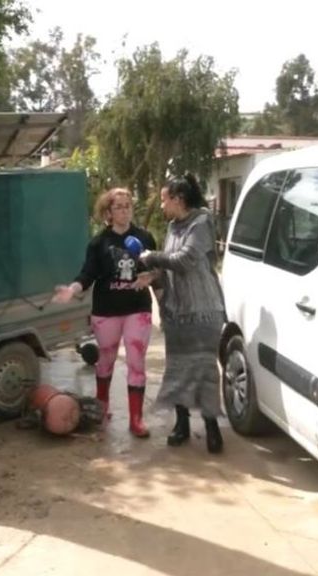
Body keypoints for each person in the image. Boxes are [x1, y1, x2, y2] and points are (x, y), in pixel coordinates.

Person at [52, 188, 157, 438]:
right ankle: (103, 407)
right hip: (106, 311)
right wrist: (72, 289)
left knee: (136, 364)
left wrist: (151, 277)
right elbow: (87, 274)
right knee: (105, 362)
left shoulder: (144, 237)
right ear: (108, 212)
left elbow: (157, 270)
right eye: (118, 206)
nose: (124, 210)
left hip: (137, 309)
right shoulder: (99, 243)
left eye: (128, 205)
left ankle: (136, 419)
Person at [139, 173, 227, 454]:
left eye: (165, 200)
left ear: (178, 199)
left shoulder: (201, 223)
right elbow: (169, 266)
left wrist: (151, 256)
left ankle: (212, 429)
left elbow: (187, 260)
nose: (162, 206)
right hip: (177, 312)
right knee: (177, 370)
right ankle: (182, 425)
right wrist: (153, 276)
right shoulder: (173, 227)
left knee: (204, 370)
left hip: (203, 311)